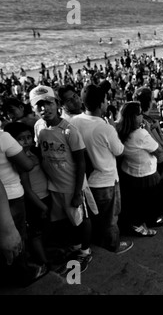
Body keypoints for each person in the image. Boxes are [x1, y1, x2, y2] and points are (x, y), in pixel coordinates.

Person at [30, 85, 94, 274]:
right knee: (67, 219)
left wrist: (77, 192)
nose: (44, 109)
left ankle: (85, 250)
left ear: (57, 104)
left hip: (73, 186)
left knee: (82, 219)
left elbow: (81, 162)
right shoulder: (39, 126)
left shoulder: (68, 130)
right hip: (54, 186)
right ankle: (75, 246)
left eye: (48, 103)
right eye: (39, 105)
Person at [70, 84, 134, 255]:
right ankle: (113, 245)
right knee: (111, 217)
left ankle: (97, 239)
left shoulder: (74, 121)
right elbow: (120, 151)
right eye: (106, 100)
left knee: (94, 215)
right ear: (101, 104)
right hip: (106, 180)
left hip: (86, 180)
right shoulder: (105, 128)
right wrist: (113, 128)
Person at [3, 122, 50, 269]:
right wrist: (43, 206)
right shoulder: (19, 161)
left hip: (44, 196)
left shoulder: (34, 153)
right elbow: (28, 189)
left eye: (29, 137)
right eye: (21, 138)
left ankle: (44, 257)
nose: (26, 141)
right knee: (35, 234)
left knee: (42, 231)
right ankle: (44, 263)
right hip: (34, 201)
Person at [115, 102, 163, 236]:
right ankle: (141, 227)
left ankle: (137, 223)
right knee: (145, 205)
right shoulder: (141, 134)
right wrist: (150, 131)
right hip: (145, 176)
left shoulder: (118, 128)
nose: (142, 116)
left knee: (134, 205)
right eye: (140, 114)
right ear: (133, 117)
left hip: (127, 172)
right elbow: (161, 153)